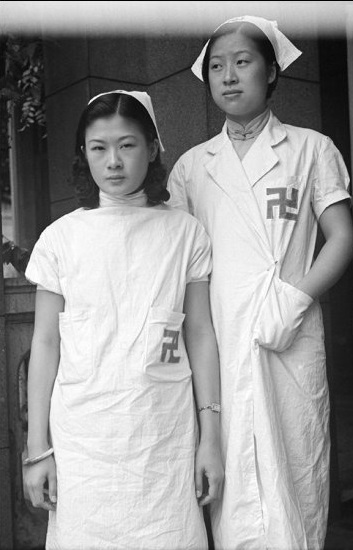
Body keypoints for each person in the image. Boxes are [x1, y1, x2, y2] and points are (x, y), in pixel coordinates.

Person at [167, 15, 353, 550]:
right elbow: (178, 259)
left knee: (295, 470)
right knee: (232, 486)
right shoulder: (190, 167)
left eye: (242, 63)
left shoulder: (311, 149)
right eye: (217, 66)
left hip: (287, 332)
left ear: (271, 72)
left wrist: (295, 297)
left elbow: (342, 237)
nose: (228, 76)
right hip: (219, 337)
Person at [23, 89, 224, 550]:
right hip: (83, 446)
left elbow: (200, 333)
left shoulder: (185, 233)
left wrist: (210, 437)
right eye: (99, 148)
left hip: (163, 442)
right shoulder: (60, 239)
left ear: (152, 149)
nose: (113, 161)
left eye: (127, 145)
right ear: (84, 156)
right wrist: (38, 451)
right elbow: (46, 344)